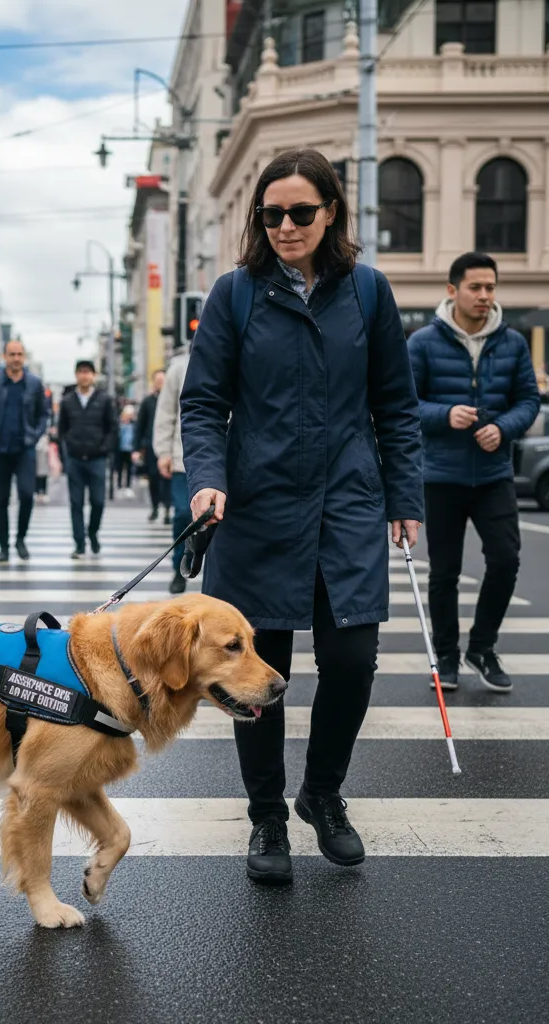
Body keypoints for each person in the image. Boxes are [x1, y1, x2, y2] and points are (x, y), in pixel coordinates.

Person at [180, 148, 423, 885]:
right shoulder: (235, 294)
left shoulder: (370, 293)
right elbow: (202, 403)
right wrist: (207, 480)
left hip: (347, 503)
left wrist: (405, 499)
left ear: (332, 212)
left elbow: (396, 407)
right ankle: (266, 818)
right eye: (272, 213)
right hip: (255, 509)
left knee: (352, 662)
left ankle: (321, 793)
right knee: (260, 675)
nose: (286, 226)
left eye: (301, 212)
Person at [407, 252, 540, 693]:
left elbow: (528, 400)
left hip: (493, 474)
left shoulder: (513, 342)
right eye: (475, 287)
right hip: (441, 475)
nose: (484, 296)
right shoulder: (424, 342)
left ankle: (482, 648)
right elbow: (405, 405)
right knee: (444, 571)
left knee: (505, 559)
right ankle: (446, 656)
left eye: (490, 288)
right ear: (453, 290)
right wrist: (446, 414)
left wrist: (502, 428)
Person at [0, 339, 49, 564]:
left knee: (27, 495)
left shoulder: (34, 384)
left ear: (24, 357)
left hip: (24, 449)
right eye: (12, 354)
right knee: (1, 500)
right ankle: (4, 547)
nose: (16, 359)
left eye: (19, 354)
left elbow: (44, 414)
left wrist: (35, 435)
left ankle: (21, 540)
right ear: (4, 356)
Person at [57, 360, 117, 558]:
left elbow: (112, 428)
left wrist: (104, 448)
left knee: (98, 501)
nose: (84, 376)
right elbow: (62, 431)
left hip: (97, 458)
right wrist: (64, 455)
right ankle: (79, 544)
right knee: (76, 503)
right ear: (76, 375)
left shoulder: (104, 399)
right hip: (75, 459)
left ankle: (93, 532)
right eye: (81, 372)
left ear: (94, 375)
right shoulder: (67, 401)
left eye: (88, 372)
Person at [154, 349, 192, 593]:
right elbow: (167, 411)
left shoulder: (238, 354)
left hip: (229, 455)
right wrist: (163, 451)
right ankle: (180, 567)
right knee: (182, 514)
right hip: (183, 456)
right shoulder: (180, 366)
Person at [134, 369, 167, 522]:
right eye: (158, 380)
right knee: (153, 479)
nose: (160, 383)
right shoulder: (148, 401)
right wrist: (136, 448)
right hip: (151, 446)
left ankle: (167, 509)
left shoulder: (174, 400)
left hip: (169, 447)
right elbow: (139, 426)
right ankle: (154, 507)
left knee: (168, 480)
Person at [115, 405, 137, 497]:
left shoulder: (134, 424)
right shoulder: (119, 423)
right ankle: (119, 485)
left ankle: (128, 486)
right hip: (120, 448)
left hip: (130, 449)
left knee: (129, 469)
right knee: (119, 468)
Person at [34, 433, 50, 504]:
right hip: (38, 463)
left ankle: (43, 493)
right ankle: (37, 493)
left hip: (44, 464)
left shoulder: (46, 439)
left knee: (43, 479)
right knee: (37, 478)